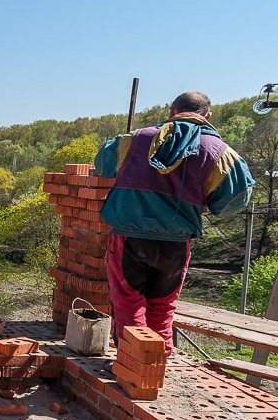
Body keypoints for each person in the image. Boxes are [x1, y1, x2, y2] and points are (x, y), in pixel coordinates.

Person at [94, 91, 254, 352]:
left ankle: (133, 365)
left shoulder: (137, 139)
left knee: (130, 303)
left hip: (129, 237)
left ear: (172, 111)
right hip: (176, 244)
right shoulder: (221, 152)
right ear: (207, 116)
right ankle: (160, 364)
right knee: (162, 306)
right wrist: (204, 201)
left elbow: (102, 164)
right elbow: (233, 201)